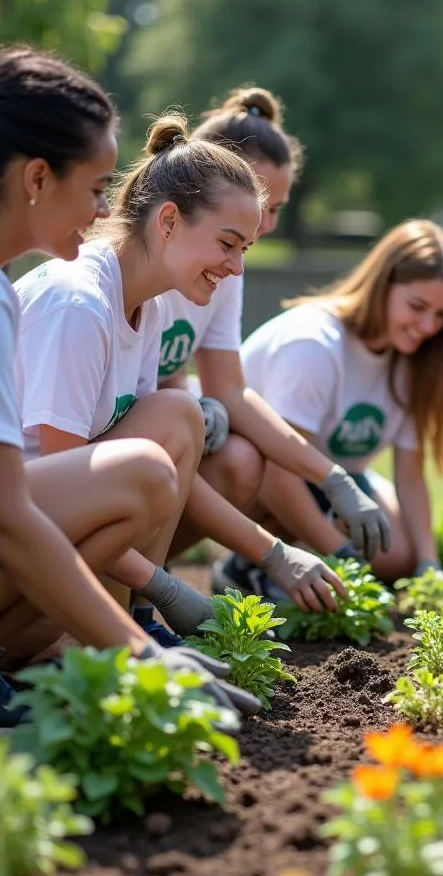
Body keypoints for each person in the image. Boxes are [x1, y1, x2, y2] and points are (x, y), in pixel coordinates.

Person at [0, 47, 256, 739]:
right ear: (37, 178)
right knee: (142, 471)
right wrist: (143, 653)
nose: (104, 209)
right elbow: (4, 516)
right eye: (96, 189)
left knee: (162, 440)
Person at [13, 113, 345, 646]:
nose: (236, 268)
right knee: (155, 450)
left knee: (179, 414)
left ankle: (132, 624)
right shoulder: (79, 304)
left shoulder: (152, 308)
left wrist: (274, 555)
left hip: (37, 535)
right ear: (168, 221)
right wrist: (166, 586)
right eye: (228, 244)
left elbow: (160, 471)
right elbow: (58, 491)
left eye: (244, 250)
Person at [150, 87, 389, 600]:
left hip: (137, 451)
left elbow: (230, 393)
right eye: (260, 202)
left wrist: (333, 478)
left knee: (237, 458)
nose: (265, 223)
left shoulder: (223, 271)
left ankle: (137, 583)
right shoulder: (147, 272)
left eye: (276, 208)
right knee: (221, 451)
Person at [240, 218, 443, 582]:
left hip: (333, 483)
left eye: (441, 315)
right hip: (252, 478)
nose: (429, 326)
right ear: (383, 285)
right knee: (364, 556)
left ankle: (296, 561)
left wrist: (429, 565)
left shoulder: (412, 359)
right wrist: (343, 557)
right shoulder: (314, 345)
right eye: (417, 306)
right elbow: (277, 476)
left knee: (397, 556)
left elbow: (410, 475)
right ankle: (247, 565)